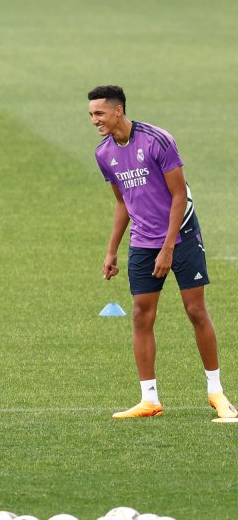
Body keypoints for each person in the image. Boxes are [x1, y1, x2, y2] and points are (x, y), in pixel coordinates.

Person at [88, 85, 236, 420]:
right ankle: (149, 399)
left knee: (195, 310)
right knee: (141, 314)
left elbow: (178, 195)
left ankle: (217, 392)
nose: (94, 120)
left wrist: (168, 246)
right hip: (142, 241)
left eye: (99, 113)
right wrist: (112, 251)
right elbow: (122, 201)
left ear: (118, 111)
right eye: (91, 115)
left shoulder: (157, 140)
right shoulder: (103, 154)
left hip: (180, 236)